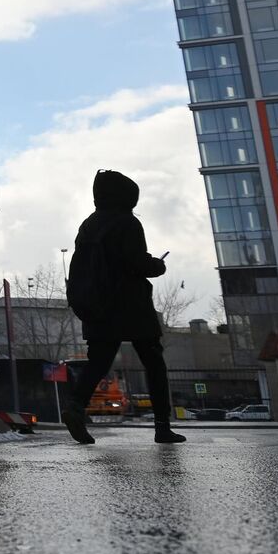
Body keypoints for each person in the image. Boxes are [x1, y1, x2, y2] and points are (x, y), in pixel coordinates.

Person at [63, 169, 184, 444]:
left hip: (97, 306)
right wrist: (157, 265)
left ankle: (75, 406)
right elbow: (135, 262)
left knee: (98, 363)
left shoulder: (88, 224)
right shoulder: (127, 223)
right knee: (153, 363)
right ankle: (162, 427)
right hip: (130, 305)